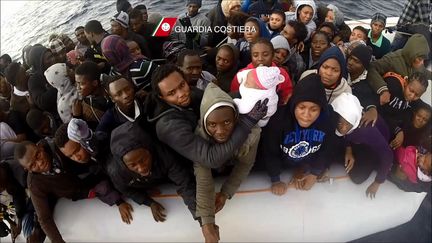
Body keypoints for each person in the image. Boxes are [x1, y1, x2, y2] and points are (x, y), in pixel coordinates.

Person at [145, 64, 268, 169]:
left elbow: (220, 103)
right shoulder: (168, 126)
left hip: (219, 145)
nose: (181, 94)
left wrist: (249, 91)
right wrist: (247, 122)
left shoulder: (191, 93)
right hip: (200, 169)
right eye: (172, 93)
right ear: (162, 97)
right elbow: (211, 159)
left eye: (182, 85)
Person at [194, 82, 261, 243]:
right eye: (212, 124)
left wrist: (226, 192)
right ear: (204, 123)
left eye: (227, 122)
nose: (220, 131)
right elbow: (203, 179)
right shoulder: (199, 137)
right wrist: (208, 224)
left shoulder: (250, 134)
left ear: (236, 119)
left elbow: (245, 164)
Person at [259, 73, 334, 195]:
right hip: (282, 165)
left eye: (314, 109)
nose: (306, 114)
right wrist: (275, 180)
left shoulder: (328, 119)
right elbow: (270, 152)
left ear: (321, 109)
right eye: (301, 107)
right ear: (294, 105)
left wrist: (314, 172)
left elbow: (327, 147)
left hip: (306, 162)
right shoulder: (278, 121)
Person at [108, 121, 198, 223]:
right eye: (133, 165)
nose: (141, 168)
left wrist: (200, 217)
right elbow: (126, 190)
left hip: (164, 177)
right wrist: (148, 202)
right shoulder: (116, 172)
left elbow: (184, 183)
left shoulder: (164, 154)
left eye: (143, 160)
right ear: (123, 164)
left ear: (149, 150)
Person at [331, 92, 393, 198]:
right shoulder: (341, 123)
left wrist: (377, 182)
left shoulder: (367, 130)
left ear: (355, 121)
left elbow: (387, 154)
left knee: (358, 177)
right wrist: (348, 149)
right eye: (340, 123)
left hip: (371, 148)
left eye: (348, 124)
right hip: (356, 141)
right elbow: (344, 134)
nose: (343, 128)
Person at [367, 33, 430, 106]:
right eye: (419, 59)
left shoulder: (418, 64)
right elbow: (372, 68)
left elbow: (425, 72)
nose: (422, 63)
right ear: (412, 54)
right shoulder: (392, 59)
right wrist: (383, 90)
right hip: (386, 102)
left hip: (406, 102)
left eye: (423, 60)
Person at [231, 38, 293, 105]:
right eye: (255, 55)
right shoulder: (242, 74)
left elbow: (287, 95)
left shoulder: (281, 74)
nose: (260, 59)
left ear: (272, 56)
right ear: (251, 57)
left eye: (265, 55)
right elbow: (234, 95)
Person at [379, 71, 429, 150]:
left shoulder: (412, 100)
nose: (412, 96)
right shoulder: (393, 88)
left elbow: (425, 107)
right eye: (411, 90)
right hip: (377, 119)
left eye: (417, 95)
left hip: (392, 126)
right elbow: (381, 111)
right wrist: (398, 130)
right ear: (406, 82)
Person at [346, 44, 379, 127]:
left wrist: (372, 109)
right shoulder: (342, 71)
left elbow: (368, 98)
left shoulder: (368, 82)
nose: (350, 63)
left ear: (364, 66)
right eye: (350, 58)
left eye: (356, 61)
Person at [73, 61, 112, 129]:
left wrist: (77, 117)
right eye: (77, 83)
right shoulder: (84, 106)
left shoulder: (111, 89)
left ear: (95, 83)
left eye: (81, 84)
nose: (78, 88)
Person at [27, 45, 58, 115]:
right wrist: (57, 85)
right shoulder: (34, 80)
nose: (53, 59)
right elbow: (41, 102)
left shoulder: (57, 67)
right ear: (39, 62)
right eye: (48, 58)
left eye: (52, 56)